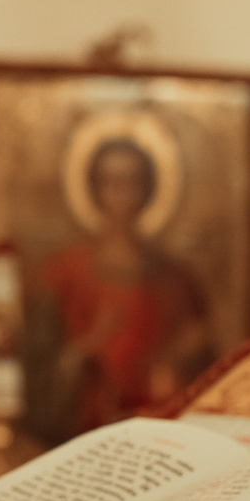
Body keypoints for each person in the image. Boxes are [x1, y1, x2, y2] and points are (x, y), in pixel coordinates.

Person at [37, 134, 213, 438]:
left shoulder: (175, 278)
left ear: (148, 190)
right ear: (93, 189)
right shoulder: (61, 275)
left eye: (131, 182)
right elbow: (39, 377)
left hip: (156, 433)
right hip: (82, 438)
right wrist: (87, 346)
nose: (120, 194)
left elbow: (203, 362)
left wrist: (175, 362)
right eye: (110, 182)